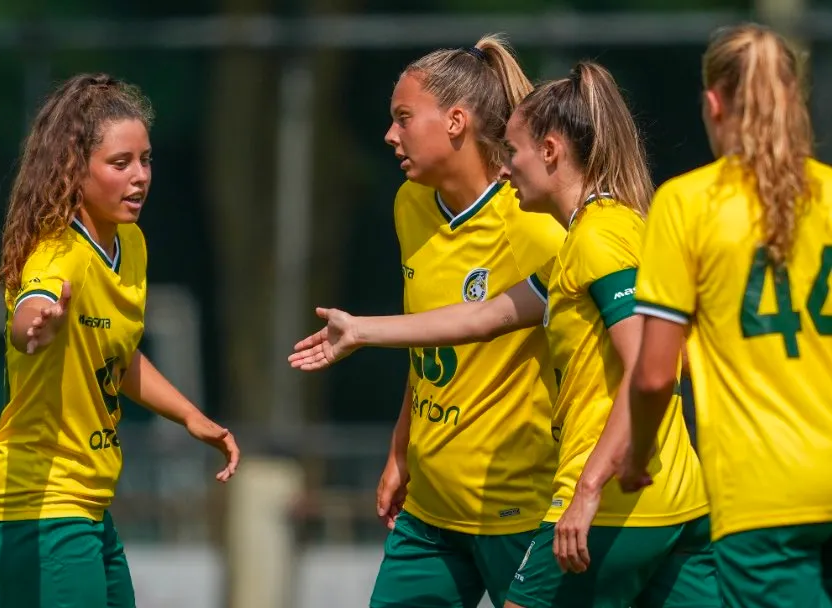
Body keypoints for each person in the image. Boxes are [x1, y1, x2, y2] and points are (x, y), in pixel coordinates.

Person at [291, 61, 718, 608]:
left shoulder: (595, 240)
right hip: (677, 500)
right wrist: (360, 331)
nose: (506, 168)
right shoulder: (597, 234)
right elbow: (485, 316)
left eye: (513, 153)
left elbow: (648, 370)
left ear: (550, 152)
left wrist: (589, 487)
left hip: (613, 502)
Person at [0, 73, 240, 608]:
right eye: (120, 163)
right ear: (75, 170)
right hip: (32, 507)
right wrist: (35, 323)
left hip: (83, 506)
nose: (139, 177)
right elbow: (31, 310)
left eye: (146, 160)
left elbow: (116, 355)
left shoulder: (129, 245)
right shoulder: (57, 252)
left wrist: (189, 416)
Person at [336, 36, 566, 608]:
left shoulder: (535, 226)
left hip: (518, 511)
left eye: (403, 118)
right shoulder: (410, 204)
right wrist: (401, 450)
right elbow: (428, 344)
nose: (390, 135)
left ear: (456, 122)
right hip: (429, 515)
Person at [623, 22, 832, 608]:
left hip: (763, 496)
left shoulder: (686, 204)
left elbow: (655, 375)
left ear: (713, 104)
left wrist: (637, 457)